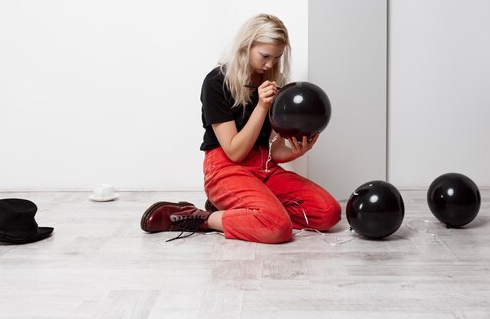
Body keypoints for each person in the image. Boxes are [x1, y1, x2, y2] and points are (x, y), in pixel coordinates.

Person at [140, 13, 341, 243]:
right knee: (277, 227)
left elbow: (272, 151)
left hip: (263, 166)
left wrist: (296, 151)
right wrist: (262, 107)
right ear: (247, 45)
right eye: (265, 56)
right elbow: (235, 151)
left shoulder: (269, 85)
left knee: (328, 212)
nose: (270, 64)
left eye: (276, 58)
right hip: (225, 167)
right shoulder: (216, 82)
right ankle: (198, 218)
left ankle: (244, 213)